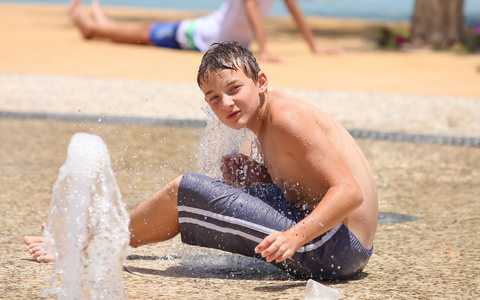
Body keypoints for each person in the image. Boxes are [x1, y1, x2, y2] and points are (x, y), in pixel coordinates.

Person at [25, 42, 377, 281]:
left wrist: (294, 235)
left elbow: (350, 192)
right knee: (209, 188)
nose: (225, 102)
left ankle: (93, 240)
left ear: (261, 82)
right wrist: (261, 176)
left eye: (234, 89)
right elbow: (307, 182)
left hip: (337, 248)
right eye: (213, 97)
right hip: (338, 241)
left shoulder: (287, 118)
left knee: (187, 192)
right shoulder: (268, 118)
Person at [68, 0, 344, 63]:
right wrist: (265, 49)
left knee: (142, 32)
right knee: (142, 35)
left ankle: (97, 24)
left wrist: (315, 47)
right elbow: (250, 7)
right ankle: (90, 25)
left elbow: (295, 11)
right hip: (197, 35)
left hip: (209, 35)